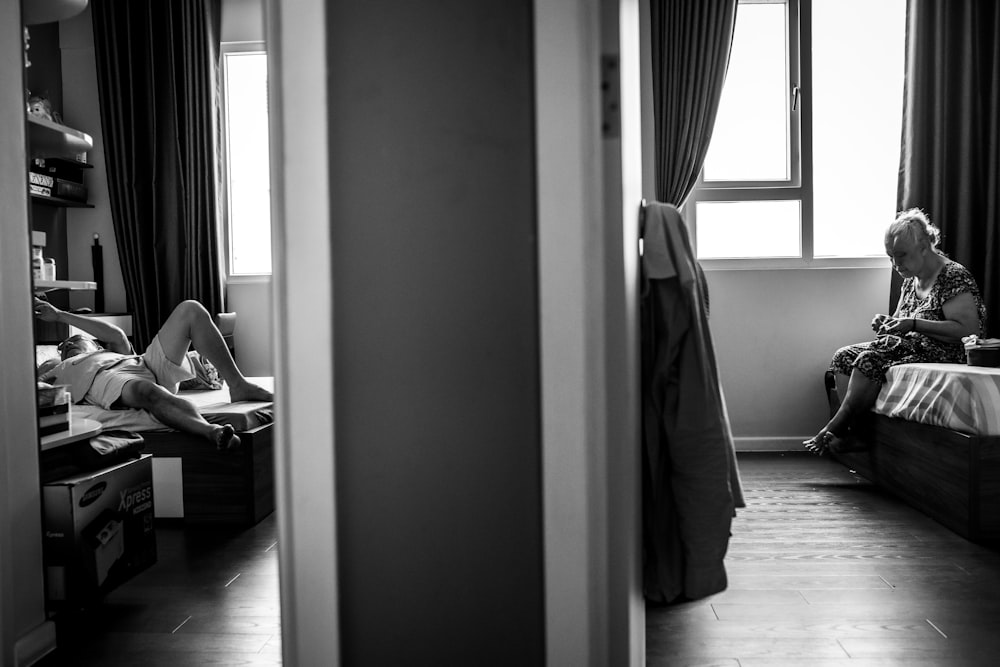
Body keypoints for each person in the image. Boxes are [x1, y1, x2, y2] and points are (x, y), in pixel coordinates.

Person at [804, 208, 986, 455]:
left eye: (901, 255)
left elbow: (968, 330)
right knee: (843, 356)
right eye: (890, 256)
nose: (895, 264)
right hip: (914, 346)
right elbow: (902, 320)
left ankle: (836, 427)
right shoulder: (912, 279)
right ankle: (856, 433)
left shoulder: (953, 276)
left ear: (924, 247)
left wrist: (912, 324)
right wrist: (888, 323)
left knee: (870, 359)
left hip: (948, 350)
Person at [34, 298, 273, 450]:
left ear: (96, 346)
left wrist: (60, 315)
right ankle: (210, 432)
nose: (67, 346)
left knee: (191, 310)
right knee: (144, 390)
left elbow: (116, 334)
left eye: (76, 341)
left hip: (142, 364)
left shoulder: (111, 349)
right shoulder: (57, 367)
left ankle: (238, 384)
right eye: (64, 347)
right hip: (101, 379)